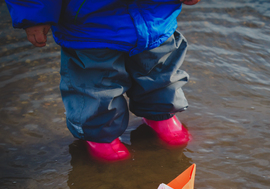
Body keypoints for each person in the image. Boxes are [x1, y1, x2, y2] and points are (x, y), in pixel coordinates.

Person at [5, 0, 201, 161]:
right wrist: (33, 13)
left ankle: (161, 114)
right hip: (89, 22)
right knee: (95, 85)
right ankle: (100, 134)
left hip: (155, 14)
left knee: (160, 70)